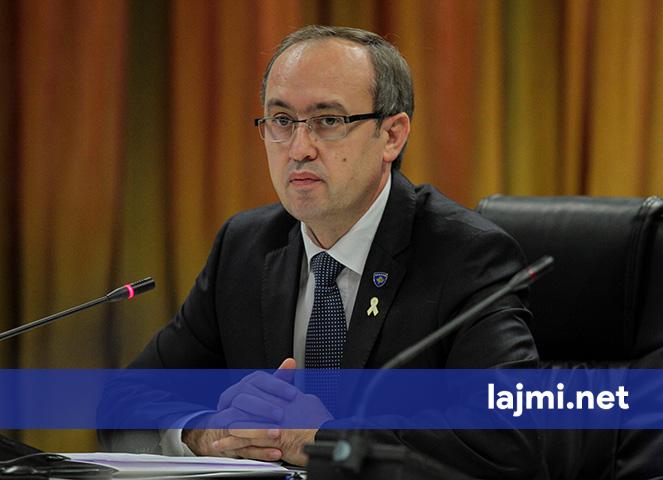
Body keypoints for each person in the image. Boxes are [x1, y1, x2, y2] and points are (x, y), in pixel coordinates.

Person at [102, 25, 545, 478]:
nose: (299, 149)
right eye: (281, 120)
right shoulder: (245, 248)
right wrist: (206, 433)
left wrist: (325, 439)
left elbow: (508, 441)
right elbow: (123, 401)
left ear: (392, 136)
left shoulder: (467, 257)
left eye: (328, 121)